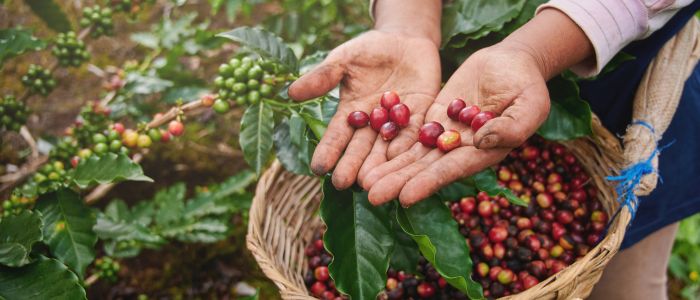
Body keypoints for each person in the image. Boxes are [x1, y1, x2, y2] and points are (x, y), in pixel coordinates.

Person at [288, 0, 700, 299]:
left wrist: (535, 50)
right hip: (461, 72)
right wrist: (409, 20)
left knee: (629, 282)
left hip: (626, 85)